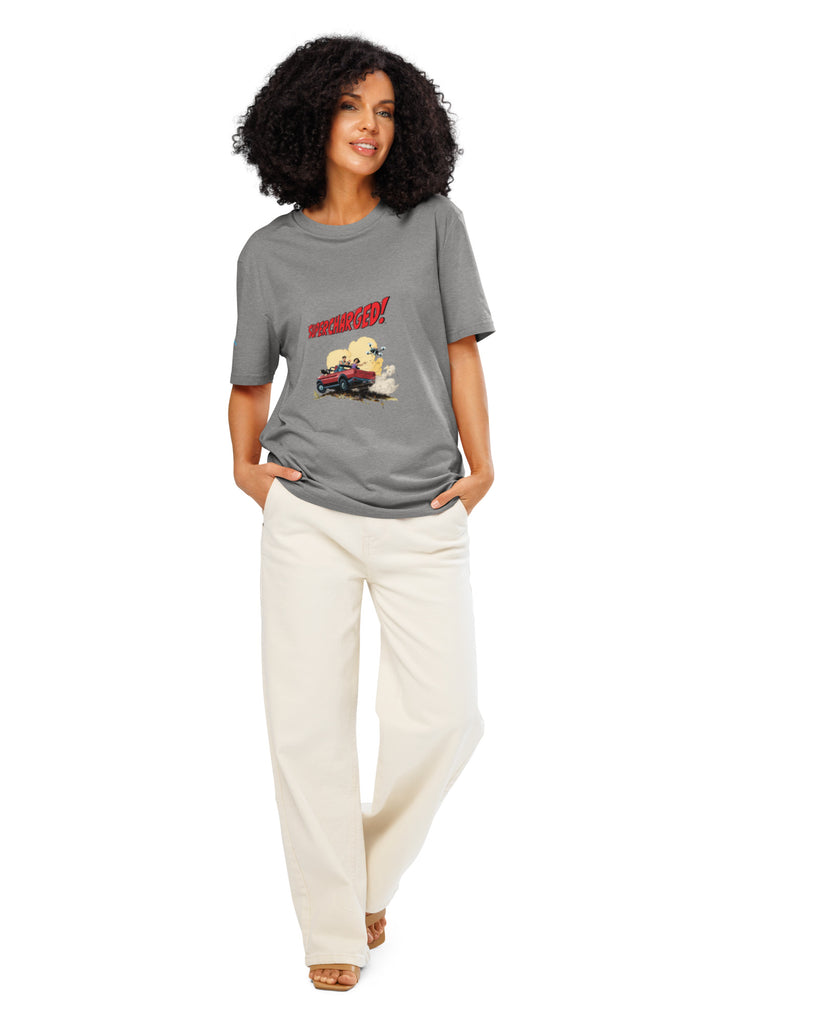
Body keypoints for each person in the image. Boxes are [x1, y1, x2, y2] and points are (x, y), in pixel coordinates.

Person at [228, 35, 495, 992]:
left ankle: (367, 877)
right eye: (350, 107)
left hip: (424, 508)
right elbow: (249, 383)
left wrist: (484, 466)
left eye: (385, 111)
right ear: (309, 118)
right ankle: (333, 930)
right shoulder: (269, 255)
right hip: (309, 511)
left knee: (447, 719)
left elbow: (461, 350)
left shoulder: (432, 225)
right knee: (307, 727)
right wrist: (246, 472)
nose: (370, 127)